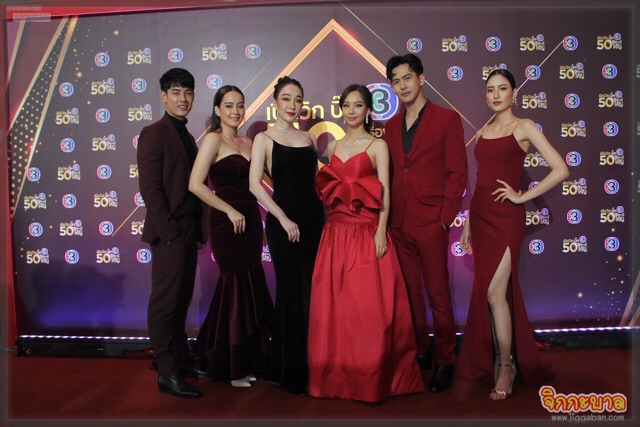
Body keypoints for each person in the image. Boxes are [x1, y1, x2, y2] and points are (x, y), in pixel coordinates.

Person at [308, 84, 425, 402]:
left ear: (368, 110)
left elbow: (384, 191)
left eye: (358, 105)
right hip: (336, 234)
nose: (351, 111)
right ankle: (337, 378)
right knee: (337, 309)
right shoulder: (332, 146)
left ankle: (372, 378)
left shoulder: (378, 146)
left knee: (368, 309)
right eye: (347, 105)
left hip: (367, 232)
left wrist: (381, 230)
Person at [457, 68, 567, 400]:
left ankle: (507, 366)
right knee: (491, 295)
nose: (495, 95)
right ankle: (498, 358)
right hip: (481, 217)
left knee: (494, 293)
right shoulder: (484, 130)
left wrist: (522, 196)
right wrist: (468, 223)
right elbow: (481, 182)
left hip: (506, 220)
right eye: (490, 89)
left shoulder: (525, 126)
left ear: (514, 94)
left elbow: (561, 169)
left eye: (502, 88)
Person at [384, 54, 468, 393]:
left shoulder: (446, 119)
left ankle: (446, 357)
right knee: (409, 295)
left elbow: (458, 174)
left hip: (432, 222)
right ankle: (420, 349)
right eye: (396, 81)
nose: (402, 85)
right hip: (399, 223)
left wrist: (444, 221)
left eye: (407, 78)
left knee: (438, 295)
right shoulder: (390, 126)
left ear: (421, 79)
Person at [188, 85, 274, 388]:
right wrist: (228, 210)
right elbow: (195, 184)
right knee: (234, 285)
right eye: (229, 105)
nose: (235, 111)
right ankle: (233, 367)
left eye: (240, 105)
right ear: (217, 109)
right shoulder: (212, 140)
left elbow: (258, 185)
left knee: (250, 284)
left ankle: (247, 361)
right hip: (226, 221)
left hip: (250, 219)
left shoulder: (248, 142)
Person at [249, 76, 325, 395]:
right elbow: (254, 185)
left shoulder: (309, 138)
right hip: (283, 223)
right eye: (286, 99)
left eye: (298, 99)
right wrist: (282, 218)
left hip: (313, 220)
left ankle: (311, 367)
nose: (292, 105)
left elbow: (317, 182)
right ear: (276, 102)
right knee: (291, 292)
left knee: (311, 293)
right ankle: (288, 371)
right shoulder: (264, 139)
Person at [137, 68, 208, 398]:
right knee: (165, 303)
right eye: (176, 92)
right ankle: (166, 371)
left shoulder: (187, 135)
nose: (183, 98)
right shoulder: (154, 133)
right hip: (170, 232)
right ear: (163, 96)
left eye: (188, 92)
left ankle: (180, 360)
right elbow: (150, 189)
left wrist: (194, 231)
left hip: (188, 228)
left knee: (181, 301)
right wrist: (168, 233)